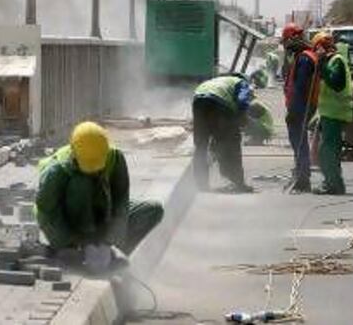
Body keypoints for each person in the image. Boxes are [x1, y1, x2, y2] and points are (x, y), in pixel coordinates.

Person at [36, 122, 164, 272]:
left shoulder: (115, 158)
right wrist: (67, 244)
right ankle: (84, 245)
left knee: (153, 210)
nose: (93, 171)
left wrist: (111, 241)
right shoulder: (56, 170)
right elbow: (45, 212)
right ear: (74, 151)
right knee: (82, 184)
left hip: (101, 210)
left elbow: (120, 204)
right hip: (69, 219)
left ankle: (112, 252)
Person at [192, 74, 257, 192]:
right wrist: (242, 116)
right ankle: (238, 182)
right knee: (231, 142)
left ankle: (201, 184)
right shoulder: (241, 82)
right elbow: (242, 100)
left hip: (198, 100)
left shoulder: (216, 80)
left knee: (201, 145)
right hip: (219, 104)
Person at [312, 31, 353, 195]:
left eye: (317, 49)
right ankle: (332, 183)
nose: (315, 53)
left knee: (328, 151)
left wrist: (322, 64)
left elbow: (336, 83)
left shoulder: (336, 61)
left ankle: (333, 185)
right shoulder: (330, 61)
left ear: (322, 46)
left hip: (336, 112)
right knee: (327, 151)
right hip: (329, 113)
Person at [281, 23, 319, 193]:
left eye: (286, 42)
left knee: (299, 141)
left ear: (293, 39)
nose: (285, 46)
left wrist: (294, 112)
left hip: (300, 106)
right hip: (303, 105)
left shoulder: (304, 58)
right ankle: (302, 173)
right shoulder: (302, 56)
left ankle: (303, 178)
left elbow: (301, 87)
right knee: (299, 140)